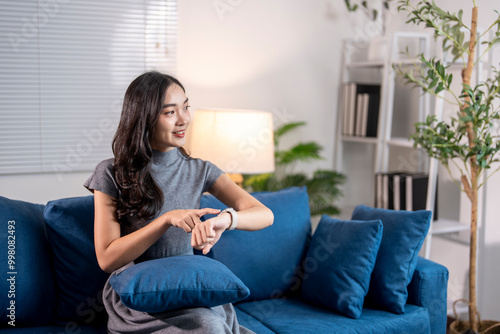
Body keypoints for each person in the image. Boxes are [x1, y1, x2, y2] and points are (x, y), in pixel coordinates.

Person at [83, 71, 274, 334]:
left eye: (186, 107)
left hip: (190, 290)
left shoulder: (200, 170)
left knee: (217, 325)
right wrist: (165, 220)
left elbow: (264, 214)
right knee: (209, 328)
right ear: (144, 117)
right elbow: (107, 258)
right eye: (170, 112)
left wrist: (225, 220)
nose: (184, 119)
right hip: (140, 298)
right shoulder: (110, 173)